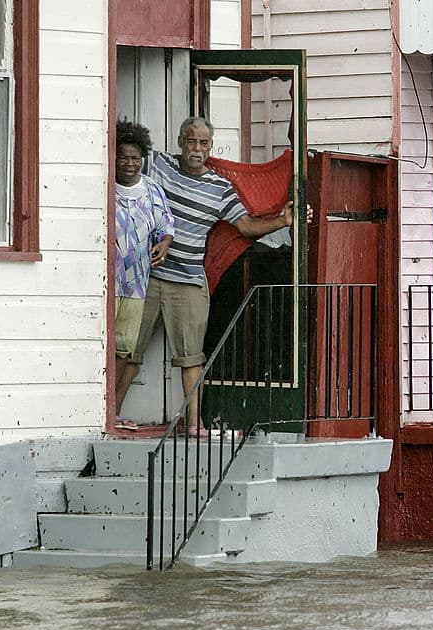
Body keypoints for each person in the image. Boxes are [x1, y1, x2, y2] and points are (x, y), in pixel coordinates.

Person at [125, 116, 306, 437]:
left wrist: (283, 221)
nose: (197, 149)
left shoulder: (220, 188)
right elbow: (128, 168)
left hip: (190, 281)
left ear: (211, 147)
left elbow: (246, 226)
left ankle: (195, 424)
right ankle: (110, 415)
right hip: (146, 277)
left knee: (192, 357)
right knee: (127, 351)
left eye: (204, 143)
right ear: (180, 142)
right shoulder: (159, 166)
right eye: (191, 141)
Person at [113, 121, 175, 431]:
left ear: (143, 158)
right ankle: (97, 411)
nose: (128, 163)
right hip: (106, 284)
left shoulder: (151, 189)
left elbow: (166, 228)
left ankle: (112, 411)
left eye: (134, 157)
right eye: (123, 157)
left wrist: (163, 245)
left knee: (124, 350)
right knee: (103, 348)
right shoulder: (106, 187)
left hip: (136, 284)